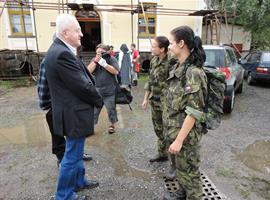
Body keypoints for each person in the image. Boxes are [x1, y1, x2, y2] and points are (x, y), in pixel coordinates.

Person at [44, 14, 103, 200]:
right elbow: (81, 85)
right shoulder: (61, 53)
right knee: (71, 157)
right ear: (65, 32)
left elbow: (81, 78)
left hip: (72, 113)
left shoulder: (62, 49)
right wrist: (99, 100)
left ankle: (78, 182)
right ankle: (64, 196)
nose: (81, 34)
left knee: (76, 153)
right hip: (73, 114)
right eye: (77, 30)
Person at [163, 26, 207, 200]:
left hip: (185, 138)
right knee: (181, 170)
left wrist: (179, 140)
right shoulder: (179, 67)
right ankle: (181, 193)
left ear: (181, 44)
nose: (169, 47)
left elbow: (194, 112)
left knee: (191, 174)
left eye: (172, 43)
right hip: (174, 132)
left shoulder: (193, 73)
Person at [37, 57, 93, 167]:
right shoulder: (50, 59)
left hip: (70, 105)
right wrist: (46, 106)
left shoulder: (72, 58)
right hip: (54, 105)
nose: (80, 38)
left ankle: (76, 154)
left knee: (73, 133)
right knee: (57, 134)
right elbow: (43, 84)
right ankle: (62, 160)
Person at [142, 36, 170, 163]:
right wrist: (145, 99)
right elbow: (150, 80)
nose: (151, 49)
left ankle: (174, 163)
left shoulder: (172, 62)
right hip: (155, 101)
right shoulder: (154, 60)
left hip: (167, 103)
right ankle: (162, 153)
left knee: (170, 132)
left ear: (162, 49)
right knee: (158, 129)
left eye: (153, 46)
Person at [87, 44, 119, 134]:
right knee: (94, 110)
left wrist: (104, 64)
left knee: (111, 109)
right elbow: (88, 71)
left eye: (100, 52)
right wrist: (96, 61)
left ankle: (112, 125)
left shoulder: (111, 59)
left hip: (110, 90)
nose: (98, 54)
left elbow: (116, 71)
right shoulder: (95, 60)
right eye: (97, 53)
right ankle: (90, 127)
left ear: (106, 52)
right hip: (97, 90)